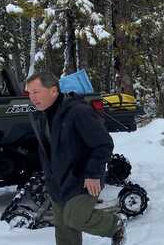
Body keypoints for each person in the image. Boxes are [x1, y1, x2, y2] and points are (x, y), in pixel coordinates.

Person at [26, 72, 126, 245]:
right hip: (58, 183)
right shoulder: (41, 116)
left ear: (53, 91)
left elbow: (103, 144)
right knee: (64, 230)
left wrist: (93, 174)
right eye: (29, 93)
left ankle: (115, 225)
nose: (32, 97)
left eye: (36, 92)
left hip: (82, 179)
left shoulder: (78, 111)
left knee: (75, 217)